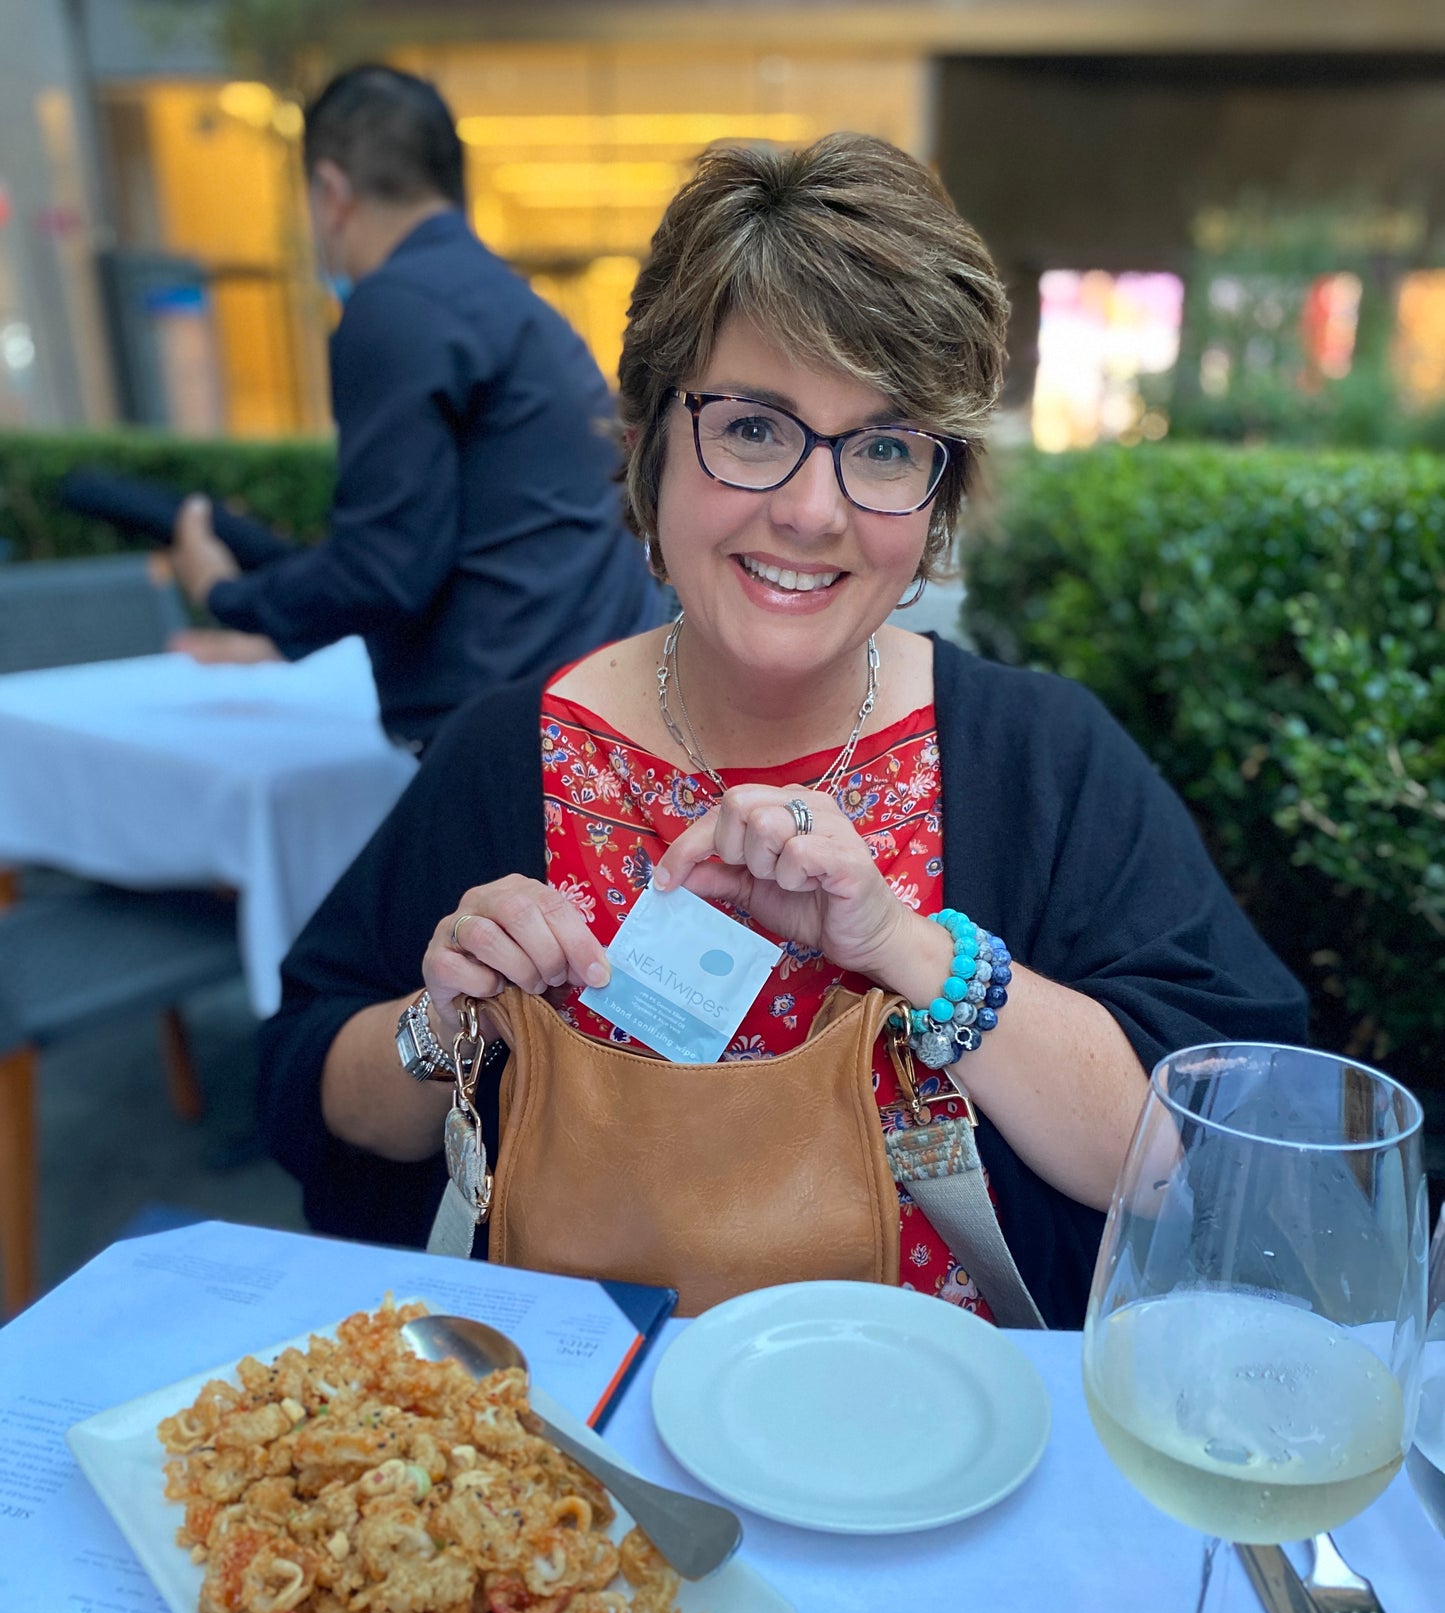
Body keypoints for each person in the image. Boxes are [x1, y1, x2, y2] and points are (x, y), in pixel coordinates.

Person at [258, 133, 1307, 1329]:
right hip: (578, 1459)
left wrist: (911, 952)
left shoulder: (1041, 759)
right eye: (753, 427)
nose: (812, 510)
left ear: (938, 494)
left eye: (882, 447)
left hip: (948, 1456)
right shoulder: (505, 754)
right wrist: (442, 1023)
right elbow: (308, 1090)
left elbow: (1192, 1156)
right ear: (653, 440)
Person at [166, 64, 658, 751]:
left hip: (501, 735)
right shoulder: (516, 306)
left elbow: (384, 568)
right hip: (580, 701)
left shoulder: (395, 306)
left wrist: (225, 593)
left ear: (331, 191)